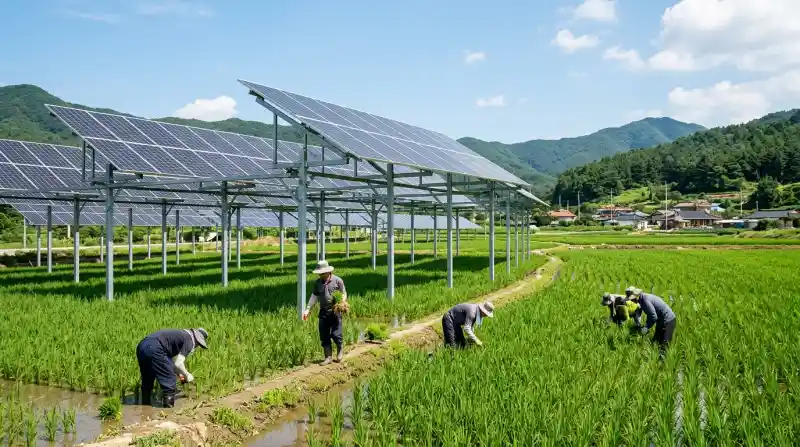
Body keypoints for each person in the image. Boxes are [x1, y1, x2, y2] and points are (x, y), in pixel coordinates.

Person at [136, 328, 208, 408]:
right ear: (197, 339)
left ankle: (145, 407)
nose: (197, 346)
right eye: (199, 344)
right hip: (155, 347)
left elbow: (172, 363)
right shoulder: (190, 340)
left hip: (142, 345)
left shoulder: (181, 335)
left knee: (148, 377)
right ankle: (168, 410)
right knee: (169, 379)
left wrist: (180, 374)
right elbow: (178, 363)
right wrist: (187, 375)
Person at [302, 260, 348, 365]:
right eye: (319, 273)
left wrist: (342, 302)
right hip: (323, 312)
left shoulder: (337, 281)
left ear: (328, 272)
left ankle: (340, 350)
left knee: (336, 334)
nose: (321, 275)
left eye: (323, 273)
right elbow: (314, 297)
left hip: (335, 312)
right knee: (324, 335)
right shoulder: (318, 283)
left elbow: (344, 293)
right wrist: (308, 309)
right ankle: (328, 357)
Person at [626, 287, 677, 353]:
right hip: (660, 321)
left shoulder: (645, 300)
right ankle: (654, 359)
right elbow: (648, 313)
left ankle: (663, 362)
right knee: (655, 342)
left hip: (668, 320)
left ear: (636, 296)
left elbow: (653, 317)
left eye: (632, 299)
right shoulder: (642, 299)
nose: (632, 301)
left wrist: (646, 327)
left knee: (665, 345)